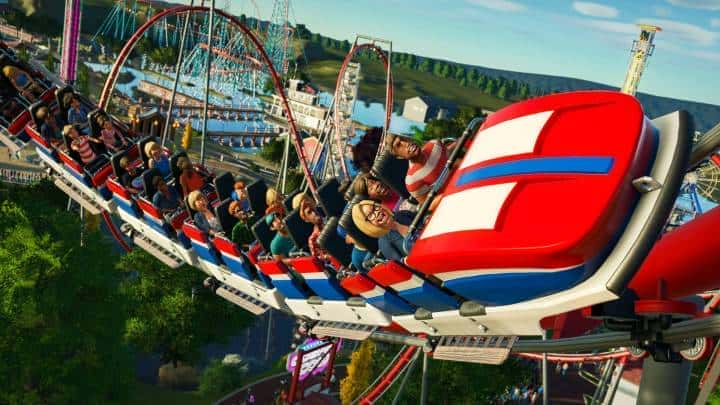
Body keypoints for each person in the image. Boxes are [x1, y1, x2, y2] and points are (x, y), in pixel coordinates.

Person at [385, 133, 448, 204]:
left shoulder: (434, 144)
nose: (406, 143)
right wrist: (446, 195)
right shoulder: (411, 180)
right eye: (399, 145)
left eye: (404, 139)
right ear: (400, 157)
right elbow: (427, 206)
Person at [292, 193, 329, 261]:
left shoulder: (329, 210)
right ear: (304, 218)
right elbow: (321, 260)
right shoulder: (313, 239)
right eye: (309, 212)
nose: (314, 213)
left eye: (308, 200)